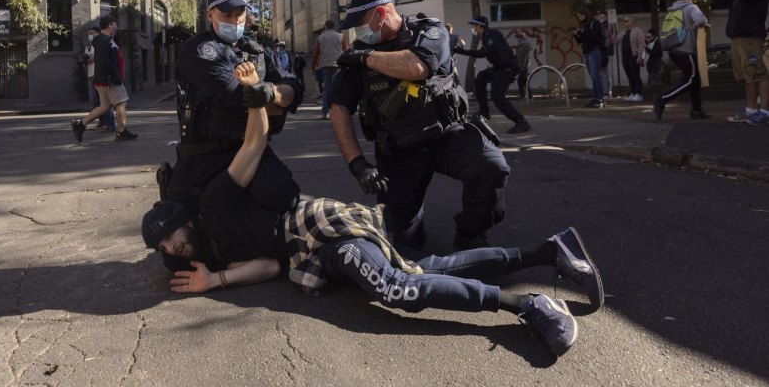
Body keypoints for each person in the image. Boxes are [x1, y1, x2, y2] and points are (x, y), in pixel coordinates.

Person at [141, 61, 605, 357]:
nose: (171, 247)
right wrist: (215, 280)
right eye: (163, 247)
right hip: (309, 254)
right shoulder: (211, 255)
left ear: (183, 219)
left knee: (396, 287)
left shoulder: (214, 203)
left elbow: (253, 144)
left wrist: (256, 95)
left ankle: (528, 305)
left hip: (317, 228)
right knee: (427, 266)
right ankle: (549, 251)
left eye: (169, 237)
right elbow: (269, 266)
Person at [328, 0, 510, 252]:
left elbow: (416, 67)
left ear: (380, 14)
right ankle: (410, 234)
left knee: (490, 166)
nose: (358, 32)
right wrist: (358, 165)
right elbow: (338, 107)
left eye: (360, 23)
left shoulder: (428, 31)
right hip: (397, 151)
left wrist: (365, 57)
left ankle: (470, 233)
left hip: (445, 136)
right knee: (403, 246)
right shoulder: (356, 55)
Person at [160, 0, 303, 240]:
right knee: (182, 238)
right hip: (205, 155)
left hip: (253, 149)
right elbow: (238, 99)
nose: (235, 20)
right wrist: (269, 101)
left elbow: (294, 89)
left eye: (239, 13)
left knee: (283, 197)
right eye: (227, 14)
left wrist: (270, 94)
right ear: (210, 14)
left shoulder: (258, 50)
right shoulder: (200, 50)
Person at [712, 0, 769, 126]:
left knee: (759, 73)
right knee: (747, 76)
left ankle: (765, 112)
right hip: (737, 38)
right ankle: (750, 110)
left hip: (751, 37)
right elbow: (718, 1)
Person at [453, 17, 531, 134]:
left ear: (479, 26)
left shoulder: (491, 36)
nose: (473, 28)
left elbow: (503, 52)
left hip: (507, 68)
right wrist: (462, 51)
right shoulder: (487, 37)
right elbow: (482, 53)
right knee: (480, 79)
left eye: (474, 25)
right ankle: (484, 112)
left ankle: (521, 122)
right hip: (500, 67)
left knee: (497, 96)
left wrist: (504, 71)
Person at [70, 16, 138, 141]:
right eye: (115, 24)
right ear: (109, 25)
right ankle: (121, 132)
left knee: (105, 106)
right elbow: (103, 61)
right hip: (110, 80)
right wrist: (113, 75)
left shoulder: (104, 40)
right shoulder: (103, 40)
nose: (117, 27)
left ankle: (81, 125)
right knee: (121, 102)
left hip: (105, 79)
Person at [653, 0, 710, 121]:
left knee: (695, 80)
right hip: (686, 50)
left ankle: (696, 109)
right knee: (691, 79)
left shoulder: (672, 10)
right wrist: (706, 25)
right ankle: (663, 98)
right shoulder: (691, 7)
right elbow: (701, 20)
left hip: (673, 50)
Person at [80, 27, 115, 133]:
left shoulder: (102, 43)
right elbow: (88, 60)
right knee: (94, 100)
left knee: (105, 102)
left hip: (100, 75)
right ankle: (102, 122)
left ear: (98, 33)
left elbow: (101, 56)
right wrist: (85, 60)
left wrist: (92, 58)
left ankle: (110, 125)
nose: (90, 35)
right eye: (89, 34)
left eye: (92, 33)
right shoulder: (88, 46)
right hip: (91, 75)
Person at [311, 20, 348, 120]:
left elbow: (315, 54)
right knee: (337, 89)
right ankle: (339, 112)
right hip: (338, 65)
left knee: (326, 89)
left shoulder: (320, 37)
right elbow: (346, 50)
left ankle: (325, 112)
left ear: (325, 27)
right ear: (334, 26)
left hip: (325, 65)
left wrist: (313, 67)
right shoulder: (340, 36)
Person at [570, 9, 606, 108]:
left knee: (596, 76)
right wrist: (576, 35)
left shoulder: (595, 23)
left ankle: (600, 98)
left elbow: (594, 36)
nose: (580, 18)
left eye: (581, 16)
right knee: (593, 76)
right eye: (578, 16)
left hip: (594, 51)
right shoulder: (584, 26)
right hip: (586, 52)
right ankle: (596, 97)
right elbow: (581, 40)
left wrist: (581, 32)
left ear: (586, 15)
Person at [616, 17, 645, 102]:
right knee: (629, 74)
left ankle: (639, 93)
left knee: (635, 74)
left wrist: (640, 57)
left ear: (632, 22)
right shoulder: (623, 32)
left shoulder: (638, 31)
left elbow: (641, 44)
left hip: (633, 55)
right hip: (625, 54)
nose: (624, 22)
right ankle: (632, 92)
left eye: (626, 21)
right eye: (624, 21)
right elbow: (616, 41)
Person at [596, 10, 615, 100]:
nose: (599, 16)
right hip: (604, 51)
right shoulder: (604, 25)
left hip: (603, 51)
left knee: (603, 71)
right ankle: (607, 90)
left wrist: (604, 49)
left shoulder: (605, 25)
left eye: (600, 15)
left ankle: (606, 91)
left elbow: (607, 38)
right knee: (604, 71)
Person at [514, 31, 532, 99]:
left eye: (519, 37)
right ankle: (529, 95)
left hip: (524, 66)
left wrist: (524, 66)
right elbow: (517, 56)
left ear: (522, 38)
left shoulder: (526, 45)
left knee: (520, 81)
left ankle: (522, 95)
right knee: (524, 81)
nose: (517, 39)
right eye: (517, 37)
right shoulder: (519, 45)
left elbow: (526, 56)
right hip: (520, 66)